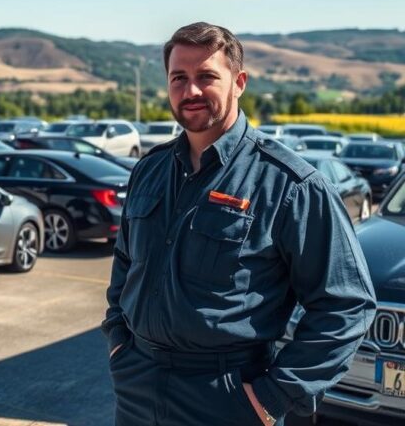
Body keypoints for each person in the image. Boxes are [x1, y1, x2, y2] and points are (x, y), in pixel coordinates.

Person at [102, 22, 375, 425]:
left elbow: (347, 304)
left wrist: (273, 396)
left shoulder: (289, 184)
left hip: (228, 400)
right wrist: (118, 343)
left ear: (239, 82)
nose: (191, 91)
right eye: (179, 78)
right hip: (137, 387)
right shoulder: (150, 170)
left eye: (206, 76)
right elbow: (126, 265)